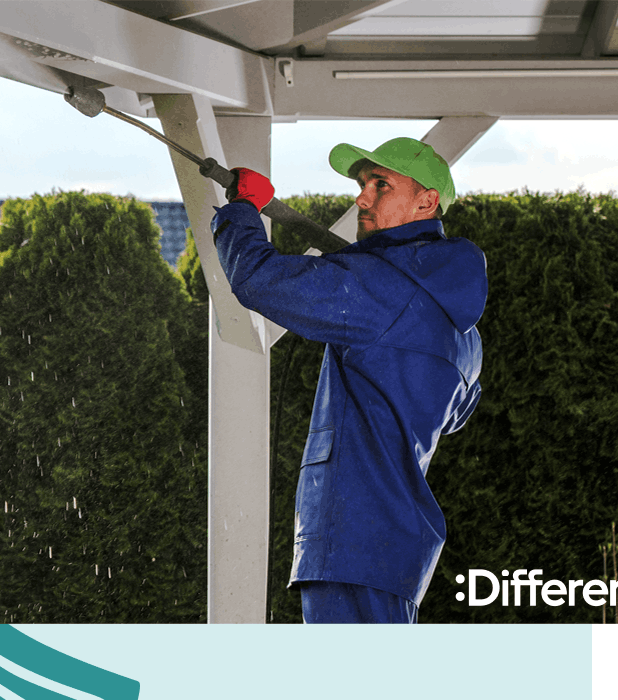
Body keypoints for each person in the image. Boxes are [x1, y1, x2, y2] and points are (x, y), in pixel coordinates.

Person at [207, 137, 487, 623]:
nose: (362, 198)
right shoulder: (464, 333)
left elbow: (257, 278)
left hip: (352, 538)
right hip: (393, 548)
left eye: (381, 185)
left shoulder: (383, 290)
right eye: (362, 184)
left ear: (427, 202)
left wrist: (242, 209)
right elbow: (454, 416)